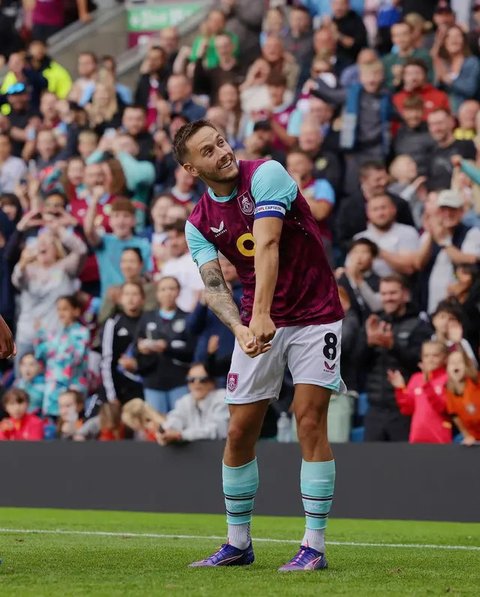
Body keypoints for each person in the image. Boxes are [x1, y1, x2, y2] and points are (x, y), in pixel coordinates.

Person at [173, 119, 344, 570]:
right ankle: (238, 543)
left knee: (308, 420)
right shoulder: (198, 223)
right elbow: (213, 287)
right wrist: (241, 328)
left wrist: (262, 315)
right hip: (257, 319)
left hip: (314, 314)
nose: (222, 152)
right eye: (208, 151)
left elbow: (267, 245)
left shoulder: (266, 173)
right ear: (192, 167)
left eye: (222, 142)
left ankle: (314, 545)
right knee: (239, 432)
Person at [357, 275, 432, 442]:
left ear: (405, 295)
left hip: (405, 410)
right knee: (371, 465)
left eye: (393, 293)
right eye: (384, 294)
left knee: (404, 466)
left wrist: (393, 345)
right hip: (375, 409)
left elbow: (422, 365)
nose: (387, 298)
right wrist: (368, 344)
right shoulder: (374, 323)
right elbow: (357, 364)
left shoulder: (420, 325)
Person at [132, 276, 194, 414]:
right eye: (163, 289)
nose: (168, 293)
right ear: (157, 293)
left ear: (178, 292)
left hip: (179, 380)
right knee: (156, 426)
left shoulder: (187, 317)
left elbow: (192, 349)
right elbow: (135, 346)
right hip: (153, 380)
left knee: (180, 425)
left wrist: (167, 347)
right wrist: (142, 349)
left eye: (172, 288)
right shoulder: (147, 317)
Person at [34, 295, 90, 417]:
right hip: (52, 388)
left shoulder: (82, 332)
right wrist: (39, 336)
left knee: (70, 424)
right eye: (59, 309)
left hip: (72, 387)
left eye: (65, 309)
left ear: (76, 311)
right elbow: (41, 356)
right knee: (52, 425)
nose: (61, 313)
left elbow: (75, 358)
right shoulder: (54, 333)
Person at [387, 341, 451, 443]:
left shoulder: (448, 379)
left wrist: (427, 385)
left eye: (435, 355)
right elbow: (407, 409)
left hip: (439, 438)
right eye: (426, 356)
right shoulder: (416, 378)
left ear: (445, 358)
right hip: (417, 437)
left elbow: (443, 408)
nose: (430, 359)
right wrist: (400, 388)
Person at [158, 363, 229, 444]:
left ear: (212, 382)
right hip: (193, 453)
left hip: (219, 451)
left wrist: (181, 435)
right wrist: (168, 431)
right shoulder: (185, 400)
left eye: (202, 379)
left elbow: (217, 431)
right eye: (191, 379)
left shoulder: (222, 397)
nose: (196, 383)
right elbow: (176, 418)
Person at [100, 282, 145, 405]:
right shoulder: (113, 323)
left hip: (146, 387)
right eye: (126, 294)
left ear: (143, 299)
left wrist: (137, 365)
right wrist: (111, 396)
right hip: (120, 388)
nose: (130, 298)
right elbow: (106, 361)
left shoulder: (149, 320)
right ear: (120, 299)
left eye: (135, 294)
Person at [444, 348, 480, 445]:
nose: (456, 365)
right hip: (474, 436)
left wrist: (459, 342)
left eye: (460, 362)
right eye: (452, 363)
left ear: (467, 365)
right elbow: (455, 416)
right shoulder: (449, 390)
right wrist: (467, 435)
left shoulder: (476, 382)